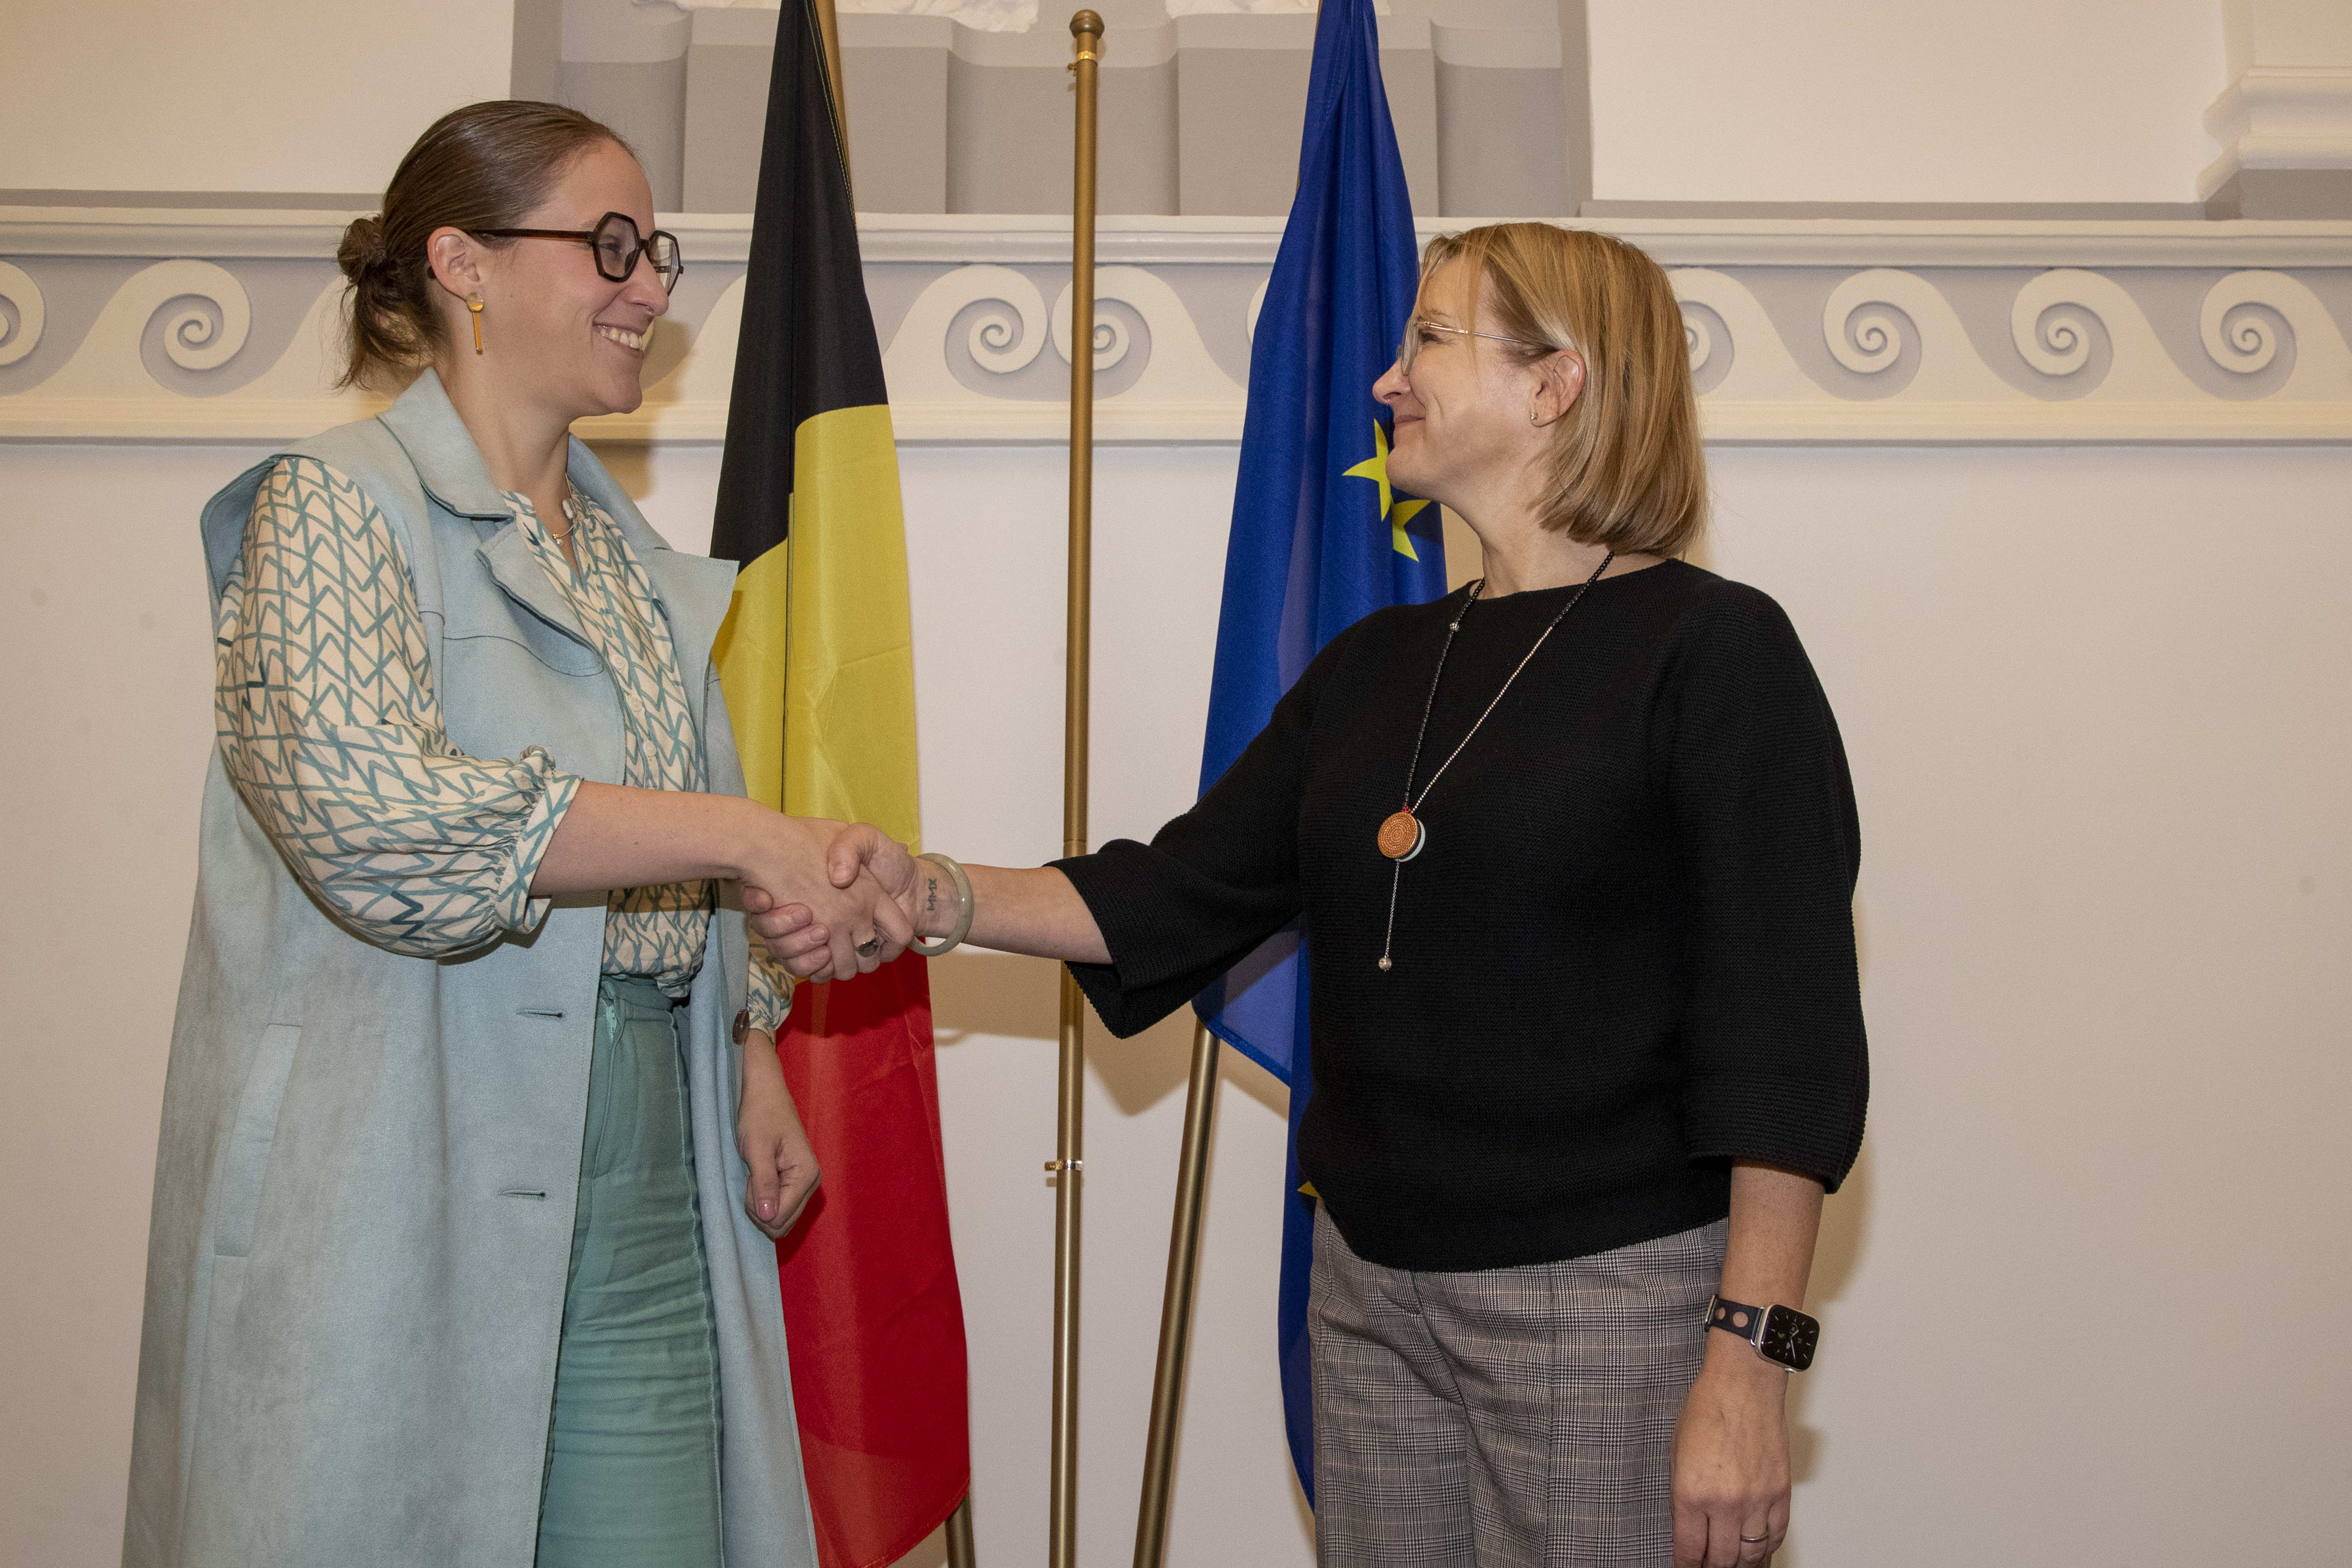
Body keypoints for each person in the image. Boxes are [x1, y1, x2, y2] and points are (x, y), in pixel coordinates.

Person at [759, 222, 1868, 1568]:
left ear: (1557, 383)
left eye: (1430, 342)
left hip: (1606, 1306)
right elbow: (1174, 893)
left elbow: (1787, 1047)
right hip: (1366, 1300)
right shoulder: (1376, 662)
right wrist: (922, 892)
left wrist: (1751, 1367)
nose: (1386, 380)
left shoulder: (1719, 650)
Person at [123, 101, 910, 1568]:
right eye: (609, 243)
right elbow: (369, 816)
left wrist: (748, 1044)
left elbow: (679, 856)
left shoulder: (638, 571)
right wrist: (745, 832)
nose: (653, 287)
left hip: (651, 1165)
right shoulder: (332, 507)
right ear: (462, 263)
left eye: (657, 250)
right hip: (391, 1160)